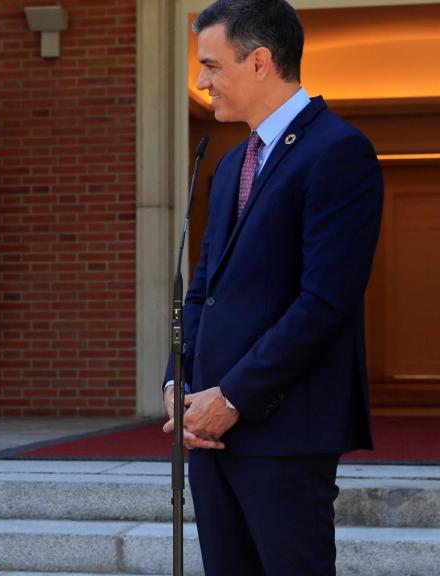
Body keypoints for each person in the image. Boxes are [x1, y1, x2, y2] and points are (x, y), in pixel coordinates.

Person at [160, 1, 383, 574]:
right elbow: (202, 287)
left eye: (211, 65)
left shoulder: (338, 152)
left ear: (259, 61)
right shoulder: (232, 162)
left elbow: (324, 302)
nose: (202, 82)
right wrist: (178, 379)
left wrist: (232, 398)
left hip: (285, 432)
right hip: (208, 435)